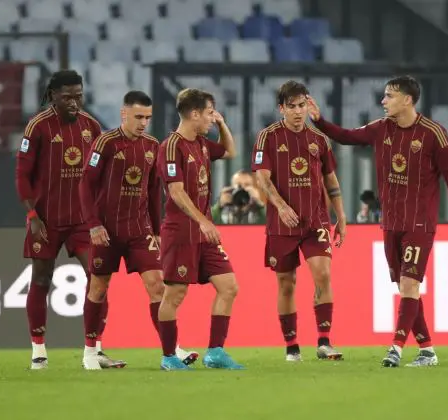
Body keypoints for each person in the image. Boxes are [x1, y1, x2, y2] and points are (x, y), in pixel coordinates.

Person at [307, 75, 448, 367]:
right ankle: (428, 351)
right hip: (391, 222)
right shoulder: (381, 128)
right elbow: (346, 136)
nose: (383, 101)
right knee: (404, 287)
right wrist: (319, 120)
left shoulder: (435, 133)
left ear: (407, 100)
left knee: (410, 284)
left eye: (389, 96)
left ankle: (395, 348)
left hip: (420, 223)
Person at [78, 91, 198, 369]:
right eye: (138, 117)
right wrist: (93, 224)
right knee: (98, 287)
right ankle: (91, 352)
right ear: (124, 114)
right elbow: (85, 185)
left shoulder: (153, 145)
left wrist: (156, 229)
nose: (143, 123)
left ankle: (172, 350)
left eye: (147, 117)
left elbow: (155, 190)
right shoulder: (105, 143)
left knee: (158, 285)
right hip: (106, 230)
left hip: (138, 230)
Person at [15, 70, 120, 369]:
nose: (74, 103)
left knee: (98, 277)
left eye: (78, 96)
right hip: (46, 219)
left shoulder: (91, 126)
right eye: (67, 97)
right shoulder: (37, 127)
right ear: (52, 97)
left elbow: (102, 174)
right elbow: (22, 176)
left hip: (81, 222)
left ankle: (95, 348)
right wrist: (33, 215)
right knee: (41, 279)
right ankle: (38, 350)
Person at [251, 81, 346, 362]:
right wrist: (280, 206)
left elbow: (330, 179)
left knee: (323, 274)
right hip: (282, 224)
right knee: (286, 282)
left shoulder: (319, 140)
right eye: (291, 106)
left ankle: (324, 341)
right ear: (281, 108)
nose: (297, 111)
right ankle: (292, 346)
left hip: (315, 221)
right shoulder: (267, 137)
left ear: (308, 106)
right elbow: (262, 177)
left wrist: (340, 215)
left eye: (301, 105)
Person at [156, 88, 243, 370]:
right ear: (194, 114)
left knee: (228, 287)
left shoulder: (203, 143)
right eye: (208, 113)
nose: (211, 118)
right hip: (181, 232)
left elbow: (230, 151)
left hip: (204, 233)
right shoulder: (171, 146)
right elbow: (177, 192)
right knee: (175, 294)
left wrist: (221, 124)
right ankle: (169, 356)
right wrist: (203, 221)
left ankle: (216, 352)